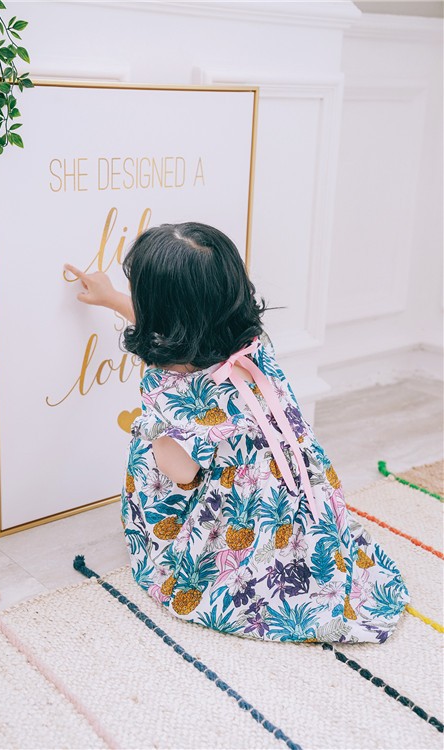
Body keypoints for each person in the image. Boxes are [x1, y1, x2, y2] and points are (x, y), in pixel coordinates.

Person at [64, 222, 410, 644]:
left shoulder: (173, 385)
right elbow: (183, 328)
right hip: (301, 506)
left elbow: (180, 472)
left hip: (244, 523)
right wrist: (113, 299)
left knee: (151, 449)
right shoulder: (250, 346)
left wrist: (153, 421)